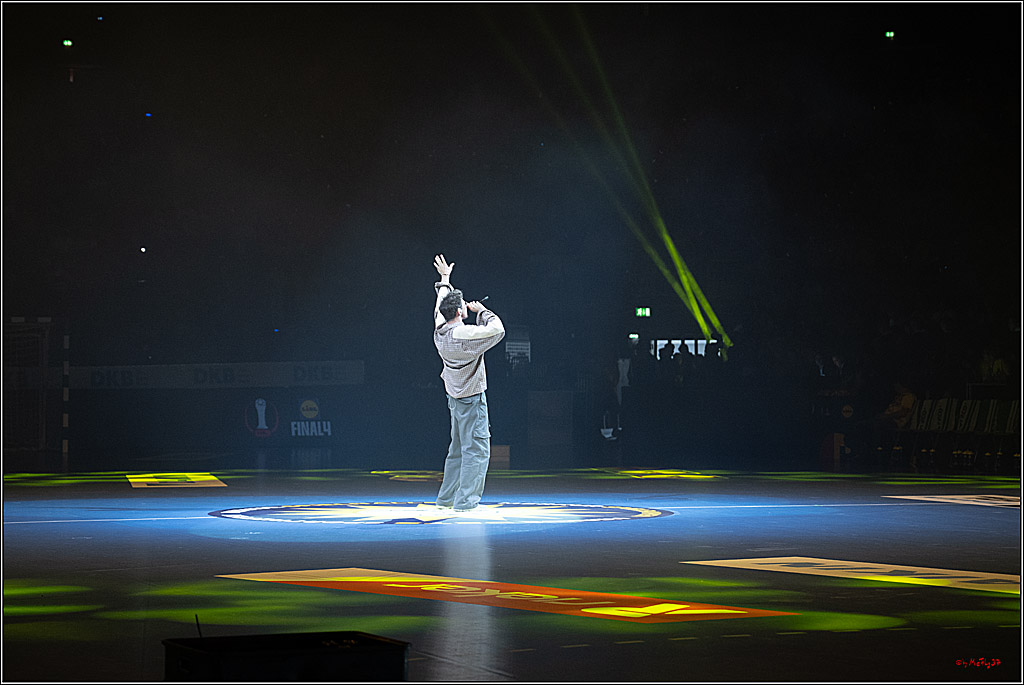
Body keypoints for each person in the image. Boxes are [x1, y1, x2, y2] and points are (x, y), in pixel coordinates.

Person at [431, 254, 505, 512]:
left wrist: (445, 279)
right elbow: (497, 330)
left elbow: (441, 301)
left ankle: (446, 500)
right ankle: (465, 503)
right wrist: (482, 312)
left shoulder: (439, 328)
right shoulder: (465, 335)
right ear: (461, 311)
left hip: (454, 398)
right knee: (477, 450)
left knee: (458, 450)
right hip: (472, 400)